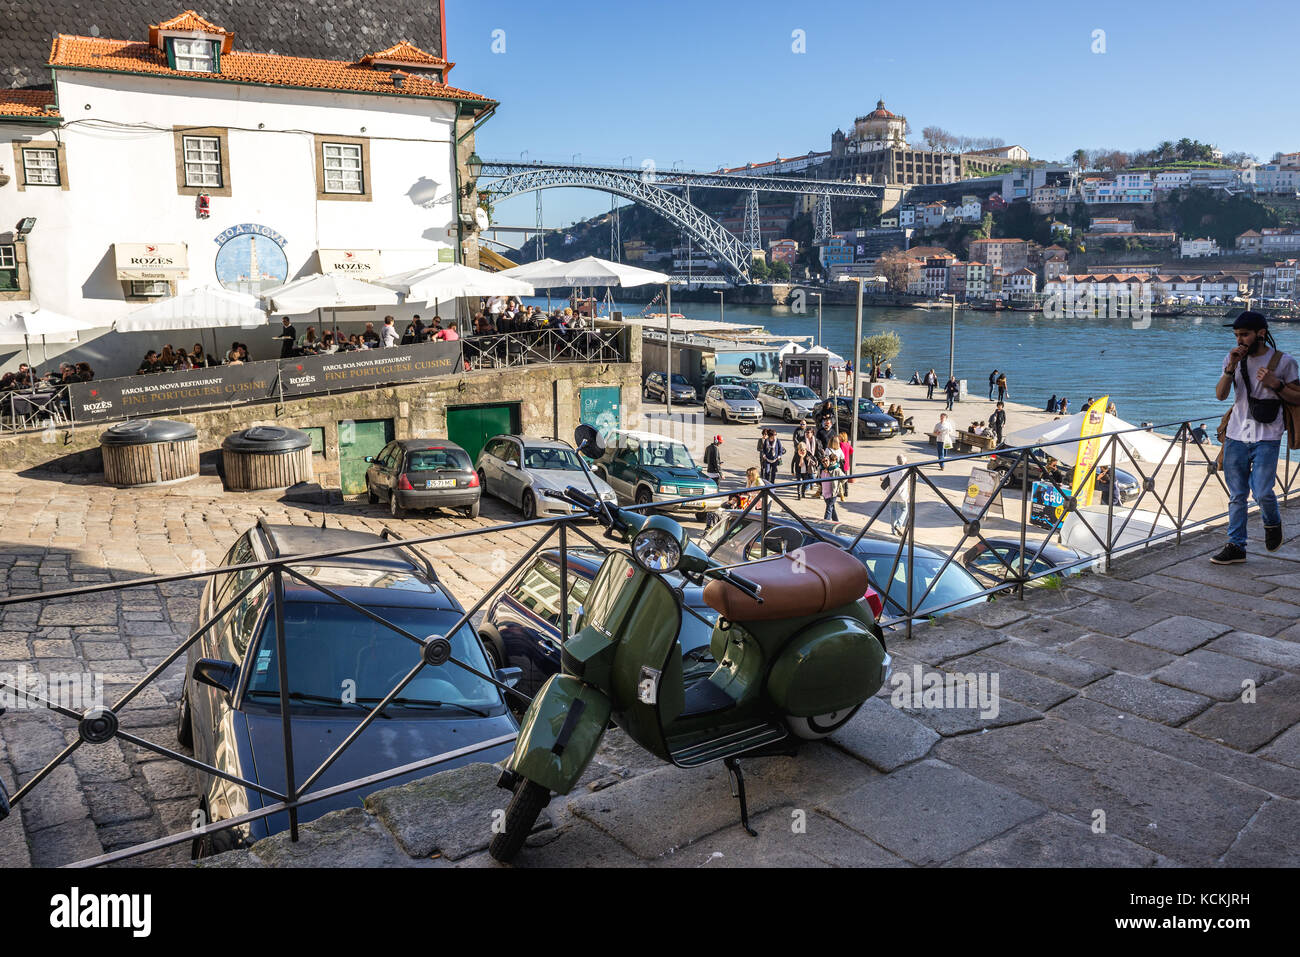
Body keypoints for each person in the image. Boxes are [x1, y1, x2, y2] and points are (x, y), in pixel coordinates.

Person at [1210, 310, 1299, 564]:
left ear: (1261, 334)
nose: (1240, 340)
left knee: (1262, 491)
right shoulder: (1232, 357)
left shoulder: (1284, 362)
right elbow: (1220, 395)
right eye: (1237, 335)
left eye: (1245, 334)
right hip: (1236, 434)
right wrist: (1230, 369)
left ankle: (1273, 522)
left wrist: (1277, 385)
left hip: (1267, 435)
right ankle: (1236, 546)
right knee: (1237, 495)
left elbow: (1298, 398)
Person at [818, 454, 844, 521]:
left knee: (828, 509)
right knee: (832, 508)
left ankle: (825, 523)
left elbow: (844, 478)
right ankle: (836, 521)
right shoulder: (821, 470)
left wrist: (838, 484)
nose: (825, 463)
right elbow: (818, 479)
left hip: (833, 494)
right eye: (823, 462)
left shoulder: (835, 469)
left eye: (826, 460)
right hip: (825, 493)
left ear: (829, 460)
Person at [838, 431, 853, 500]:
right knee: (845, 478)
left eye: (840, 436)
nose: (838, 437)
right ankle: (846, 491)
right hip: (846, 463)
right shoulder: (847, 444)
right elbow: (851, 451)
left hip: (841, 463)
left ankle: (841, 491)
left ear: (843, 437)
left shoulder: (840, 444)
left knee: (840, 478)